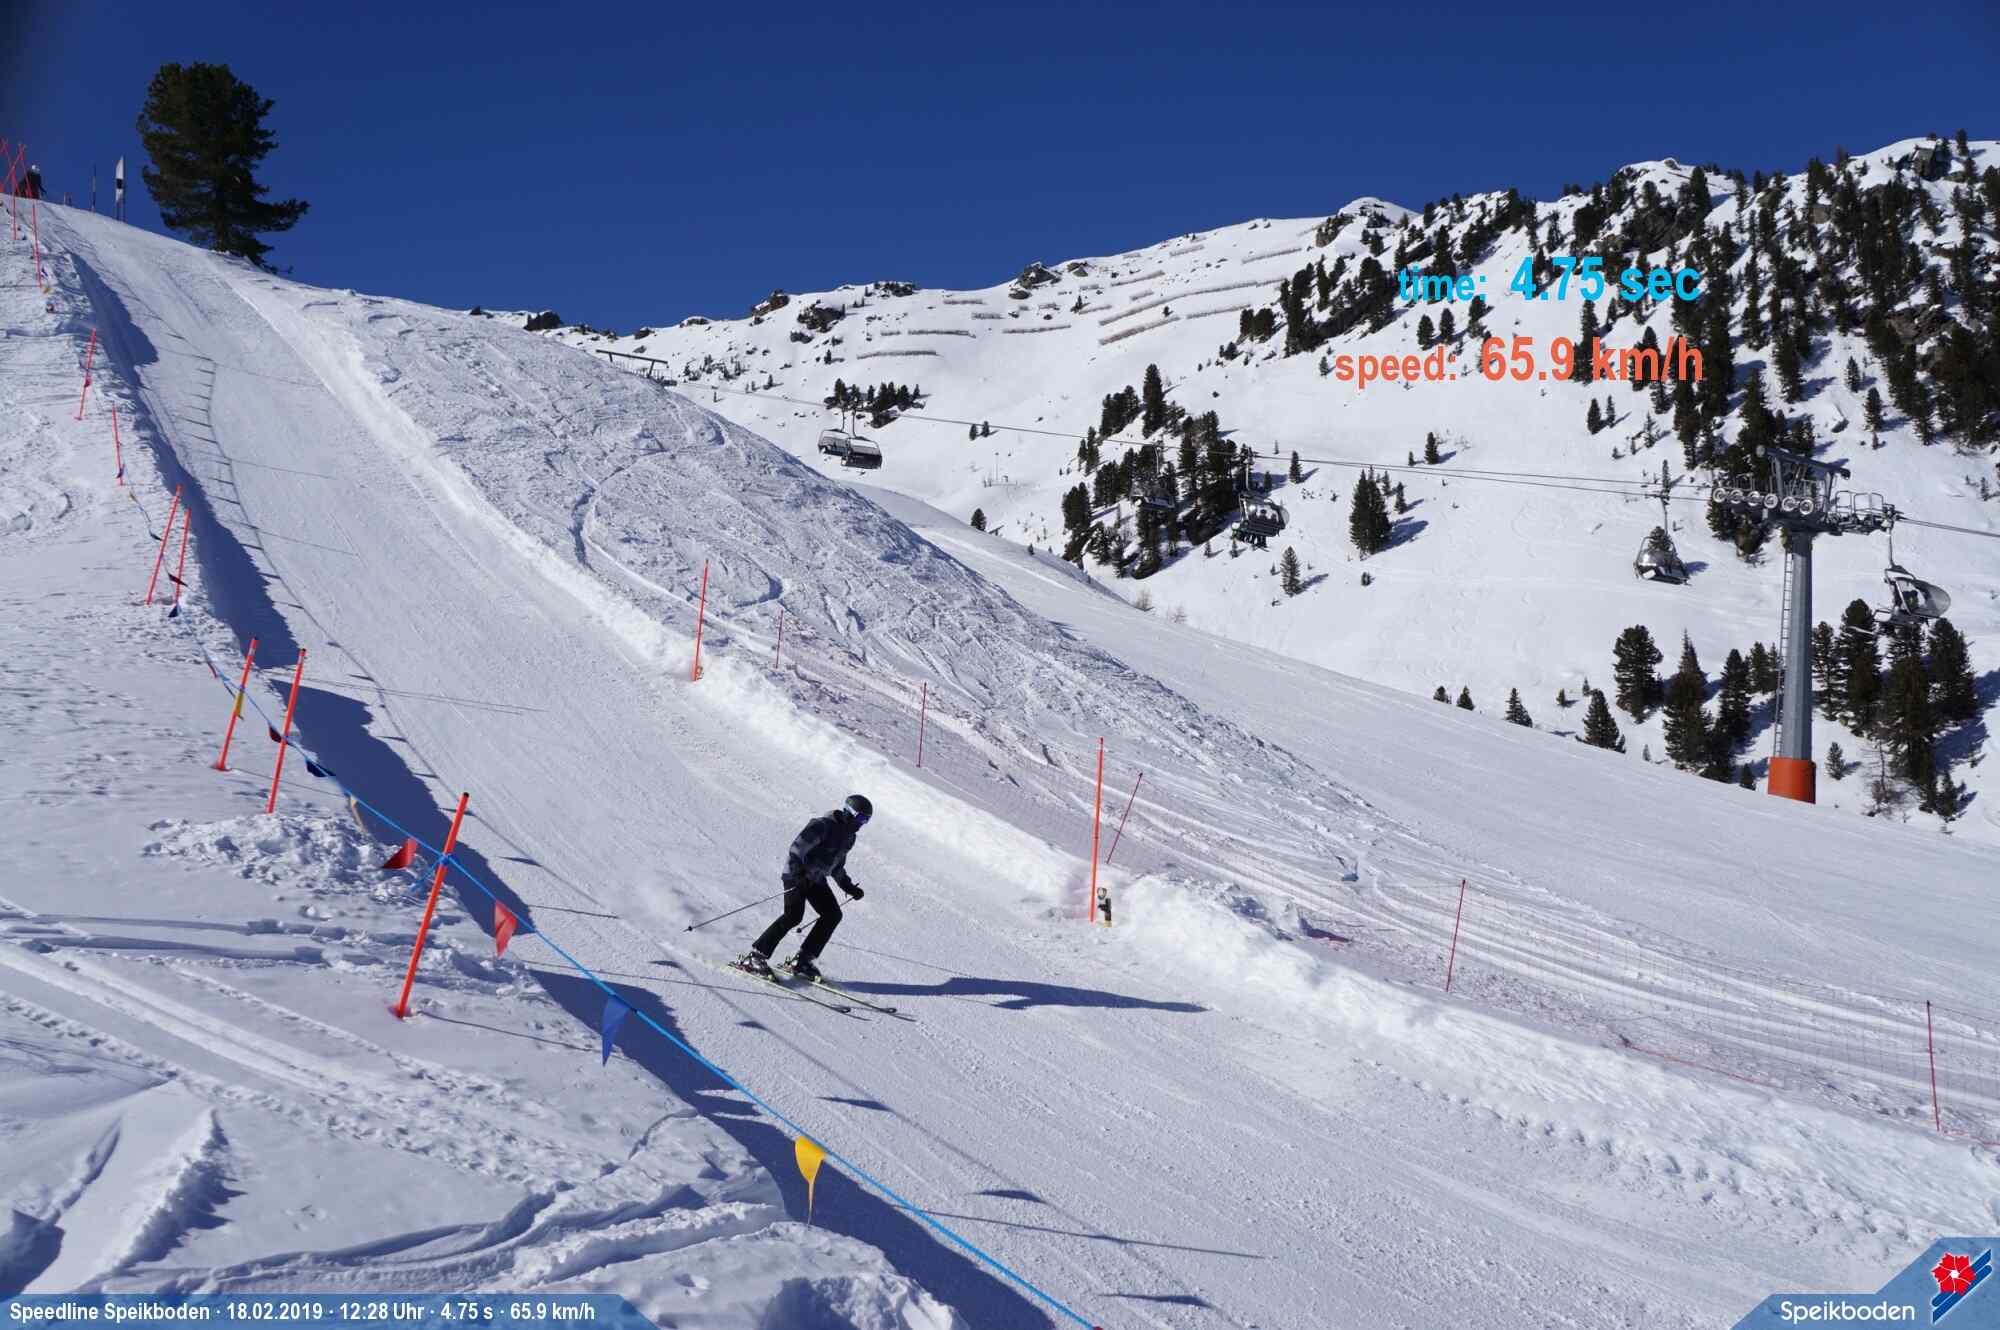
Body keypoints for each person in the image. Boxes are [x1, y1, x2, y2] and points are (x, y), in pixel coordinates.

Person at [739, 794, 870, 981]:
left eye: (866, 820)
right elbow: (796, 850)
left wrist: (849, 887)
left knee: (832, 915)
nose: (862, 824)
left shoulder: (849, 837)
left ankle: (802, 961)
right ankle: (755, 957)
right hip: (796, 875)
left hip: (815, 880)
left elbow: (837, 867)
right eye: (861, 818)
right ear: (849, 812)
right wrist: (798, 874)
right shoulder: (822, 825)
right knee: (793, 916)